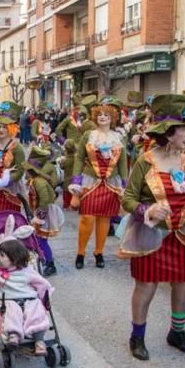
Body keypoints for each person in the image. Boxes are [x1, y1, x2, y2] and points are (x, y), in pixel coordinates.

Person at [117, 94, 185, 361]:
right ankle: (137, 336)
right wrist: (149, 209)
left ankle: (177, 332)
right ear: (169, 133)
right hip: (151, 233)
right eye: (183, 129)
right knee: (147, 286)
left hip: (181, 232)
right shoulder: (146, 161)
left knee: (184, 283)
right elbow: (128, 198)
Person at [69, 96, 128, 269]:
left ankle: (99, 252)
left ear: (112, 118)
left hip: (110, 182)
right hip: (90, 180)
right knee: (87, 218)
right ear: (95, 117)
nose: (103, 117)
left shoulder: (118, 137)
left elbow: (123, 162)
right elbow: (79, 157)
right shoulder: (89, 135)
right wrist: (76, 180)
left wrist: (124, 185)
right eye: (100, 115)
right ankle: (80, 252)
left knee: (104, 219)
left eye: (106, 115)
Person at [0, 235, 54, 355]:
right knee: (12, 313)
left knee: (37, 312)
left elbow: (42, 283)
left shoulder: (27, 271)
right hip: (9, 299)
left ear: (14, 258)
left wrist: (44, 296)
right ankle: (13, 335)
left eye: (2, 256)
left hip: (29, 298)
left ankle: (39, 341)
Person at [24, 145, 63, 276]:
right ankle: (43, 259)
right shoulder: (34, 180)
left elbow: (45, 198)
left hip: (44, 213)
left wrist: (40, 216)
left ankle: (50, 263)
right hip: (41, 212)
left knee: (41, 240)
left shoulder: (38, 182)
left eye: (27, 170)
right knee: (38, 239)